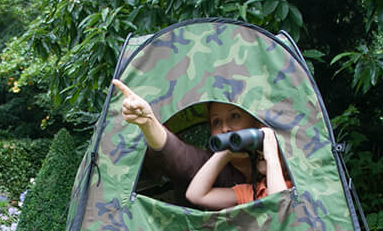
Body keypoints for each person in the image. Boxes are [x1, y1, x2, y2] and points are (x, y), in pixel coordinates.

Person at [112, 79, 278, 202]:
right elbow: (181, 157)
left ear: (256, 122)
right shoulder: (215, 166)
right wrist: (149, 123)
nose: (225, 128)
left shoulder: (281, 160)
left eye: (234, 116)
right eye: (216, 122)